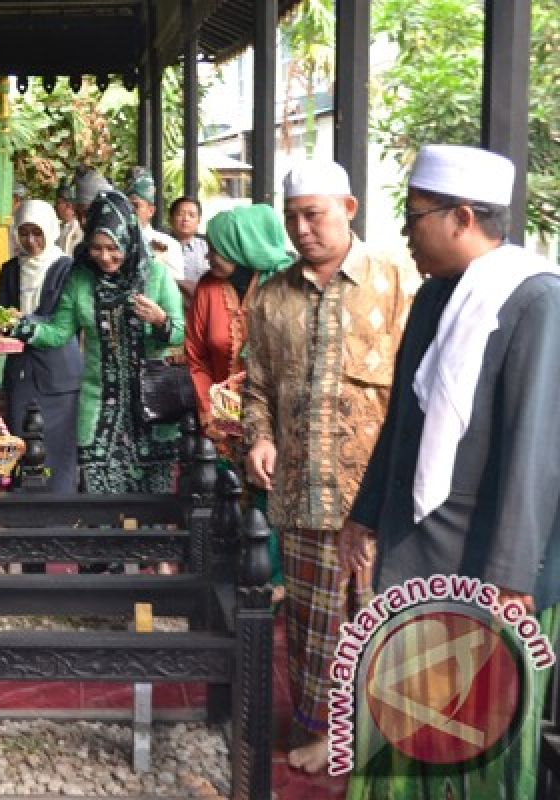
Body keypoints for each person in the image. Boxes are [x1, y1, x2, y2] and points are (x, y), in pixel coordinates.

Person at [340, 145, 560, 799]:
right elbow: (404, 423)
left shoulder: (536, 300)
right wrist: (365, 512)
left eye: (414, 218)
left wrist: (513, 576)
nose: (406, 233)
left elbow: (537, 448)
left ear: (462, 217)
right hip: (417, 546)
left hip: (489, 563)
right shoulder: (436, 295)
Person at [242, 160, 417, 774]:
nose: (300, 228)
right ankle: (321, 728)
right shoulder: (271, 295)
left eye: (312, 214)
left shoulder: (396, 280)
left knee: (378, 614)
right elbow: (256, 386)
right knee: (312, 624)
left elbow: (420, 388)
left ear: (349, 207)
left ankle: (373, 734)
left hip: (376, 497)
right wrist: (258, 439)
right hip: (300, 491)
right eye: (292, 217)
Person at [18, 189, 185, 494]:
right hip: (98, 412)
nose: (105, 257)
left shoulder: (156, 276)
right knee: (102, 503)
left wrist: (161, 321)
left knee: (156, 509)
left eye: (113, 248)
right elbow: (58, 332)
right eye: (96, 248)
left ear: (129, 240)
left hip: (153, 409)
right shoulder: (80, 278)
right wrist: (20, 326)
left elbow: (180, 334)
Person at [185, 204, 293, 599]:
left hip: (276, 412)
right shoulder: (208, 290)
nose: (209, 257)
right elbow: (196, 356)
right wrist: (209, 411)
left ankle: (275, 581)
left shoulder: (284, 283)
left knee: (270, 489)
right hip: (224, 416)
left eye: (217, 249)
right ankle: (244, 576)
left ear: (242, 246)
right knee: (234, 496)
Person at [0, 198, 81, 493]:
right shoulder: (10, 270)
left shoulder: (67, 268)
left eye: (38, 233)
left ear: (50, 230)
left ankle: (62, 520)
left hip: (60, 377)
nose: (31, 241)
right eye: (24, 232)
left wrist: (24, 321)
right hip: (21, 375)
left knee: (59, 454)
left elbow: (64, 320)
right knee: (21, 448)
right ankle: (23, 522)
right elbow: (1, 312)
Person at [125, 167, 184, 280]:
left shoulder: (169, 245)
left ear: (151, 211)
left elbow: (177, 286)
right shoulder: (114, 243)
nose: (130, 211)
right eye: (126, 206)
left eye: (136, 206)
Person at [168, 195, 210, 301]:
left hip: (198, 304)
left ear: (199, 220)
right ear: (171, 218)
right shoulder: (159, 244)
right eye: (180, 214)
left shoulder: (207, 249)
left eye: (191, 215)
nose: (186, 219)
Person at [55, 180, 82, 256]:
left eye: (58, 203)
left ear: (69, 205)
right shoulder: (57, 228)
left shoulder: (82, 229)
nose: (55, 207)